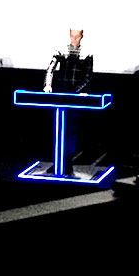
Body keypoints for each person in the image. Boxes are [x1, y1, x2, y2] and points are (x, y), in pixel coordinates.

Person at [44, 28, 94, 172]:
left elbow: (88, 76)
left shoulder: (87, 54)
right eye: (72, 36)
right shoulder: (61, 51)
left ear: (81, 36)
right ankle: (58, 162)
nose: (74, 39)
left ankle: (67, 161)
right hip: (61, 96)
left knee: (71, 131)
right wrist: (48, 85)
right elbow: (50, 69)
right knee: (59, 130)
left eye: (77, 36)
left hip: (74, 99)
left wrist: (75, 92)